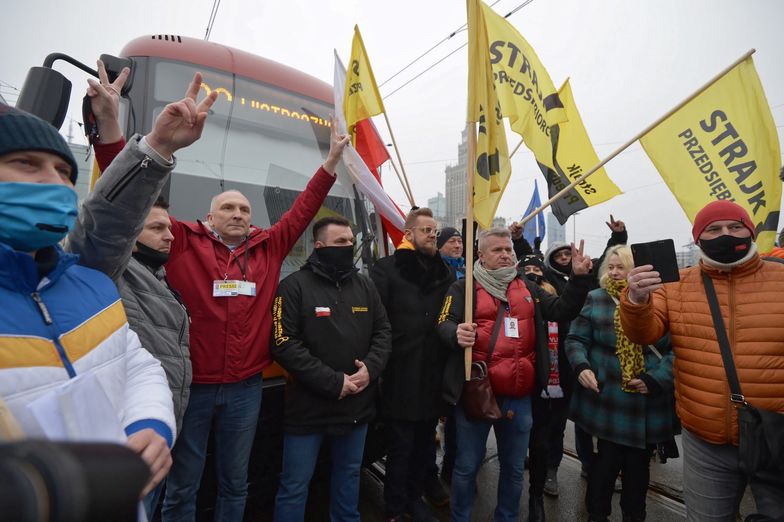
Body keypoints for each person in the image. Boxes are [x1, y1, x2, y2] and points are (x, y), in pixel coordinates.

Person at [159, 119, 350, 521]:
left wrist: (331, 161)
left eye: (244, 209)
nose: (238, 214)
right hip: (193, 387)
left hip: (246, 389)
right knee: (183, 483)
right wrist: (148, 146)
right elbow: (135, 201)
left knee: (235, 481)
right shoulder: (181, 242)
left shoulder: (270, 247)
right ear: (209, 217)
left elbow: (303, 210)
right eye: (227, 207)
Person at [0, 104, 175, 498]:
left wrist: (151, 422)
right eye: (26, 163)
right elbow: (111, 219)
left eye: (64, 172)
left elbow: (138, 365)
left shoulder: (93, 285)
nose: (56, 183)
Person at [620, 200, 784, 521]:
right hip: (706, 440)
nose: (725, 234)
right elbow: (645, 334)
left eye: (735, 227)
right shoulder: (676, 285)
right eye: (713, 229)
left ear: (750, 232)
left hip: (775, 435)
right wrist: (636, 300)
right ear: (698, 238)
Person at [437, 228, 592, 522]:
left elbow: (561, 309)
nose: (506, 254)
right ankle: (460, 517)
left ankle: (506, 517)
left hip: (519, 397)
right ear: (481, 255)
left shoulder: (528, 288)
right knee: (467, 466)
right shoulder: (463, 289)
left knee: (512, 468)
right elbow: (443, 322)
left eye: (508, 249)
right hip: (477, 394)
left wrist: (580, 279)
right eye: (498, 250)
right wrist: (455, 332)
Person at [270, 216, 391, 521]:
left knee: (349, 475)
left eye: (351, 241)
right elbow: (283, 342)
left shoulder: (365, 285)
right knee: (295, 484)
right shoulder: (293, 286)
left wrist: (370, 370)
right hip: (308, 409)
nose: (348, 247)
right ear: (320, 246)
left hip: (357, 407)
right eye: (340, 242)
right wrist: (333, 382)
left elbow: (383, 331)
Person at [567, 245, 678, 522]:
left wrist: (657, 378)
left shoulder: (662, 300)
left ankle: (634, 516)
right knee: (602, 469)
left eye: (621, 267)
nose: (615, 272)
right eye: (611, 267)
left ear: (636, 269)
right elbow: (576, 340)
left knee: (638, 472)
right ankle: (596, 515)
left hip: (645, 401)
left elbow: (679, 350)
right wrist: (581, 366)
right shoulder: (596, 298)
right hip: (607, 399)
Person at [370, 207, 456, 522]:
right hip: (399, 372)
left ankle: (415, 498)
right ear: (408, 234)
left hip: (433, 372)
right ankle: (394, 507)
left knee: (423, 445)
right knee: (400, 447)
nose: (433, 234)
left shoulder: (443, 272)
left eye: (434, 230)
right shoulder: (386, 269)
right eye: (426, 230)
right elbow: (377, 321)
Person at [520, 254, 573, 521]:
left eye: (536, 269)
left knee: (552, 434)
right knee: (531, 438)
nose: (532, 274)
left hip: (559, 381)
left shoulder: (556, 299)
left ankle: (539, 489)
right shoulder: (520, 299)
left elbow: (570, 309)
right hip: (530, 383)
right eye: (526, 269)